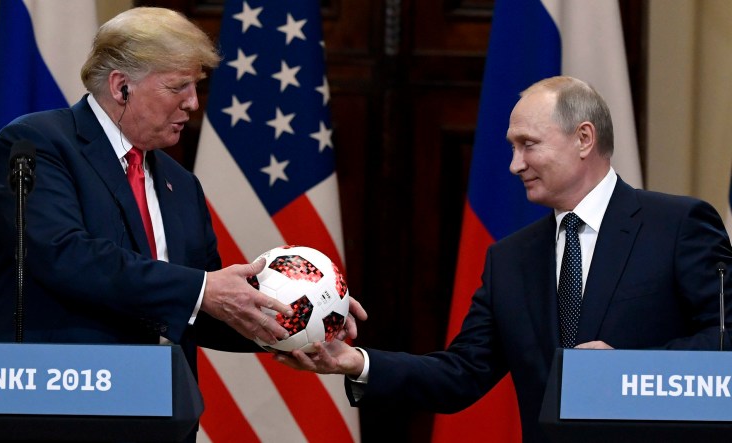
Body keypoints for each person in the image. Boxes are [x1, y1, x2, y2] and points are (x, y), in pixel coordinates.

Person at [275, 76, 732, 443]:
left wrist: (629, 371)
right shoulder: (510, 260)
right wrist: (356, 362)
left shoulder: (677, 225)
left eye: (528, 144)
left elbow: (726, 338)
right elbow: (462, 374)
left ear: (584, 138)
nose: (514, 164)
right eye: (513, 147)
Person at [0, 4, 301, 412]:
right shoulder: (38, 143)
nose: (192, 104)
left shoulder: (181, 184)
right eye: (177, 87)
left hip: (158, 412)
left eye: (196, 87)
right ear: (120, 86)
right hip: (58, 406)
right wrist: (203, 289)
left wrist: (294, 323)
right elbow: (66, 256)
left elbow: (198, 308)